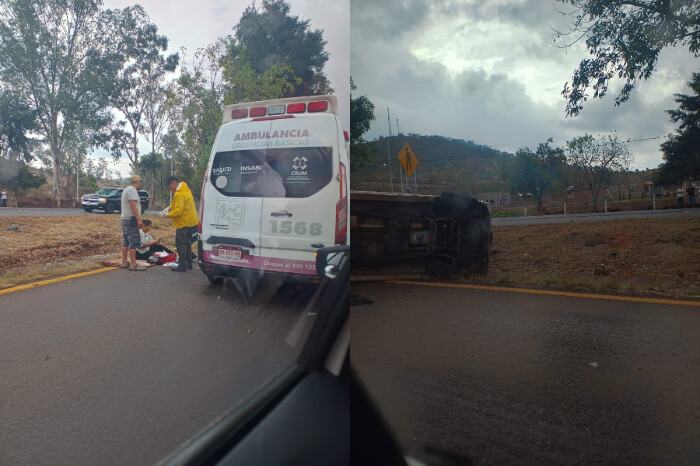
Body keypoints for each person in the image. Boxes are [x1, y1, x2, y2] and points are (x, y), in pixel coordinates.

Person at [162, 175, 199, 272]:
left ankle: (182, 265)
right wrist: (170, 207)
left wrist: (167, 215)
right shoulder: (185, 189)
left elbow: (178, 212)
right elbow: (180, 204)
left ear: (173, 183)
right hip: (191, 222)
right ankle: (188, 263)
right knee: (187, 243)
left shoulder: (179, 194)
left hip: (183, 223)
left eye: (170, 187)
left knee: (181, 244)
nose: (170, 190)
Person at [120, 175, 146, 271]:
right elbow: (133, 205)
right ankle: (133, 264)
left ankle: (124, 262)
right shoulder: (132, 190)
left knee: (126, 241)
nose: (140, 184)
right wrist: (138, 219)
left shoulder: (126, 189)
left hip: (124, 218)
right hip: (130, 219)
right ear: (137, 182)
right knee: (133, 241)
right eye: (140, 182)